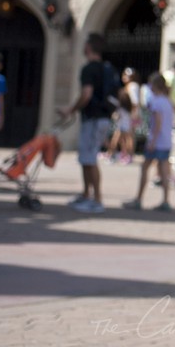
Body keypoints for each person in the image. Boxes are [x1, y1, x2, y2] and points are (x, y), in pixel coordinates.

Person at [59, 34, 120, 214]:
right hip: (102, 118)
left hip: (94, 119)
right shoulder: (109, 69)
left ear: (88, 47)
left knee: (90, 158)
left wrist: (71, 109)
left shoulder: (89, 69)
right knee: (86, 158)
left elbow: (86, 94)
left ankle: (97, 199)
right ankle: (86, 194)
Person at [123, 72, 175, 212]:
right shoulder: (167, 101)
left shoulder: (156, 102)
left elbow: (158, 124)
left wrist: (152, 142)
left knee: (145, 169)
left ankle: (138, 199)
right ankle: (166, 201)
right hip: (166, 141)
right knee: (164, 172)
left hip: (157, 142)